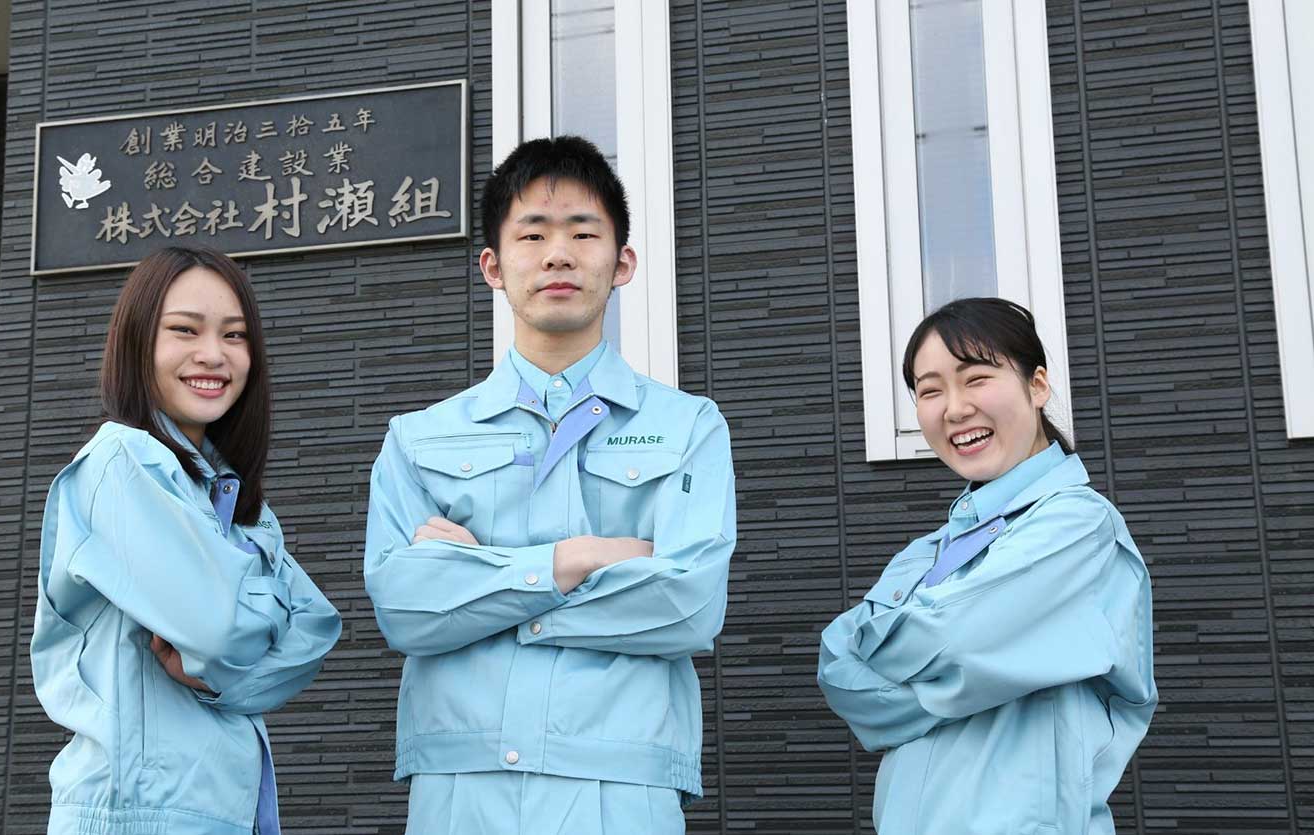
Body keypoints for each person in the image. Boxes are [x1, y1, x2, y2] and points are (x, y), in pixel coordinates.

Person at [363, 135, 736, 834]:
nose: (558, 254)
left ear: (622, 263)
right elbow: (406, 610)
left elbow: (688, 604)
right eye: (532, 234)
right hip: (459, 784)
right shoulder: (418, 438)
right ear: (493, 266)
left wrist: (482, 587)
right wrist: (578, 559)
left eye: (583, 233)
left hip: (621, 783)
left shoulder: (689, 426)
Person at [31, 246, 342, 835]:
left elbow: (317, 632)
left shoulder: (232, 499)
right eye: (184, 330)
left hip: (225, 812)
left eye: (234, 335)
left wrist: (223, 674)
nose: (213, 355)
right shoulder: (122, 462)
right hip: (136, 814)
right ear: (138, 342)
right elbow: (220, 628)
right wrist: (256, 617)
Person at [818, 297, 1157, 834]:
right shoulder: (929, 549)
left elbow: (949, 640)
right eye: (930, 390)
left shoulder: (1078, 525)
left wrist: (888, 660)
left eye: (976, 378)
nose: (954, 409)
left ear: (1037, 386)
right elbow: (835, 665)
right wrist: (950, 681)